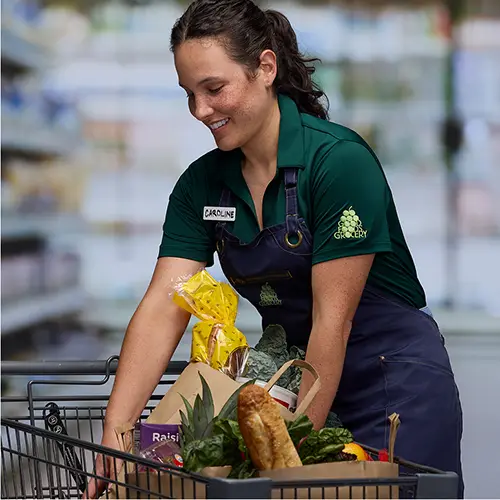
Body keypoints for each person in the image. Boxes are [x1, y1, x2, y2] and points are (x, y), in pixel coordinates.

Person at [85, 0, 464, 497]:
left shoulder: (338, 163)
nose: (200, 111)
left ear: (266, 68)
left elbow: (334, 321)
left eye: (214, 89)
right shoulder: (201, 186)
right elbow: (164, 303)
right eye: (189, 94)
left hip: (393, 388)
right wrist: (115, 437)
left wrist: (293, 451)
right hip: (293, 385)